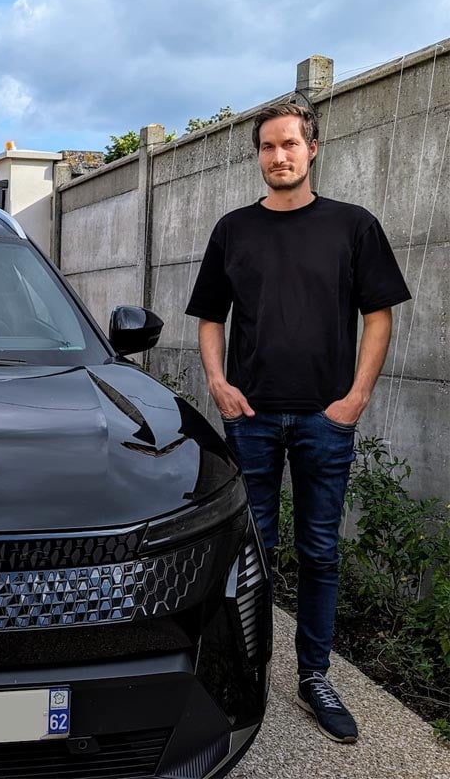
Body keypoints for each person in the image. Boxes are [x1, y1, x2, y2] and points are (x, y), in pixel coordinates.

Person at [185, 102, 411, 744]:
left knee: (319, 552)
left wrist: (356, 397)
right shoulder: (233, 230)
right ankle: (247, 670)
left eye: (289, 144)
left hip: (324, 419)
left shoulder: (353, 226)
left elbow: (379, 316)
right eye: (267, 146)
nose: (278, 156)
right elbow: (210, 316)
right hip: (251, 417)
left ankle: (314, 676)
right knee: (250, 552)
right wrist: (218, 383)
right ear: (258, 155)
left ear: (313, 148)